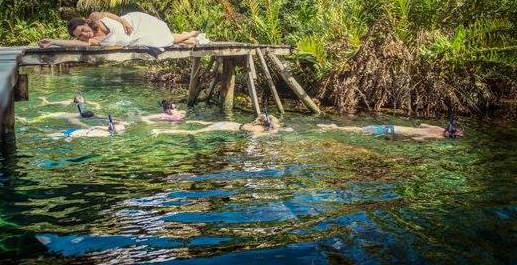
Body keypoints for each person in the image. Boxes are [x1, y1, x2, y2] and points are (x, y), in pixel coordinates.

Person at [38, 11, 208, 48]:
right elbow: (70, 44)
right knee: (162, 39)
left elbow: (110, 15)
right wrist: (52, 41)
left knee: (164, 37)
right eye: (79, 35)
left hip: (133, 23)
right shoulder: (92, 41)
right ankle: (190, 36)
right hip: (134, 39)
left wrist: (124, 22)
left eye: (82, 29)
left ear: (85, 23)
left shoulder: (95, 17)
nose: (84, 34)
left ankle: (190, 35)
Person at [151, 114, 291, 136]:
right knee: (193, 133)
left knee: (204, 123)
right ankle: (161, 130)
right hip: (223, 127)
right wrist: (270, 135)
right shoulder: (259, 128)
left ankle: (191, 121)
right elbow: (254, 137)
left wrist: (279, 129)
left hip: (230, 123)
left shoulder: (257, 123)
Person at [316, 122, 464, 141]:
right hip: (392, 133)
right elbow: (416, 139)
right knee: (360, 132)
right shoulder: (436, 135)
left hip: (392, 128)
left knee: (361, 130)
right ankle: (334, 128)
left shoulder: (437, 128)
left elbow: (420, 124)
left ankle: (336, 127)